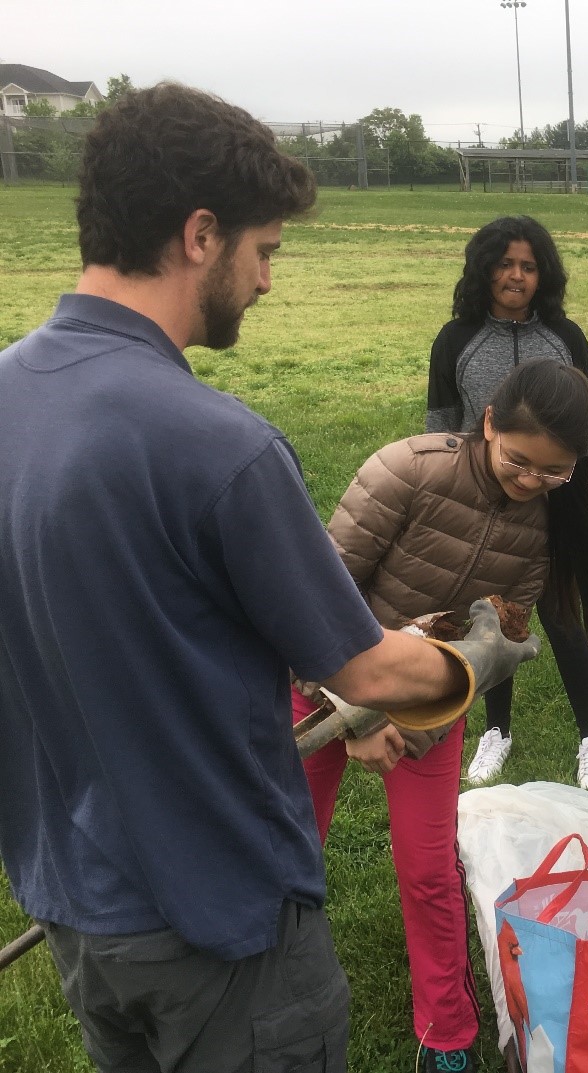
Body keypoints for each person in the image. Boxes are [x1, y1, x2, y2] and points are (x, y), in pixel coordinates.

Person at [0, 83, 533, 1073]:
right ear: (201, 234)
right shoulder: (219, 447)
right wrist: (471, 656)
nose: (268, 282)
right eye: (266, 251)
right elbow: (366, 673)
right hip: (221, 924)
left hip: (75, 905)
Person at [294, 361, 588, 1073]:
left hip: (430, 706)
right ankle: (264, 992)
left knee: (428, 868)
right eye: (519, 461)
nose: (532, 482)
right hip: (318, 682)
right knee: (284, 848)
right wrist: (354, 717)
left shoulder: (549, 524)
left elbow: (489, 648)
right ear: (490, 421)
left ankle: (447, 1031)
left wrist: (406, 722)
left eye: (554, 472)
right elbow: (313, 601)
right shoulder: (403, 471)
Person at [425, 215, 588, 790]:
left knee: (562, 617)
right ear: (484, 270)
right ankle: (497, 731)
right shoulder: (455, 340)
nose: (516, 276)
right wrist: (444, 502)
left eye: (528, 266)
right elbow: (440, 430)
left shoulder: (567, 337)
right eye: (505, 264)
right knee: (493, 619)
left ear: (544, 274)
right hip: (489, 506)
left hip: (557, 501)